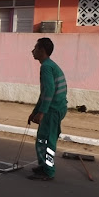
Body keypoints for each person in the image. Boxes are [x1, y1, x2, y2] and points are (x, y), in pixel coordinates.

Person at [27, 37, 68, 181]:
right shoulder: (49, 65)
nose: (33, 50)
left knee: (47, 141)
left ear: (42, 51)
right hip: (55, 108)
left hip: (53, 109)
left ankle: (48, 171)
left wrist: (42, 112)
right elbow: (44, 93)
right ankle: (44, 165)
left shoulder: (46, 67)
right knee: (43, 140)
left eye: (35, 48)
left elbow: (49, 91)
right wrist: (35, 112)